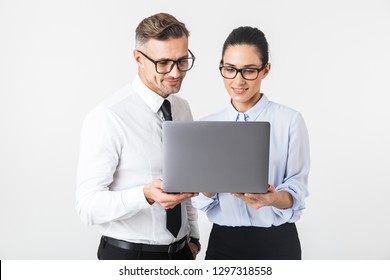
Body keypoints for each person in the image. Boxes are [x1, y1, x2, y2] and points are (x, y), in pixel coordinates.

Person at [76, 13, 201, 260]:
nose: (176, 73)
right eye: (164, 63)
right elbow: (87, 207)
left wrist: (193, 239)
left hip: (181, 253)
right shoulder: (107, 117)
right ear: (138, 58)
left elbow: (184, 181)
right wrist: (144, 195)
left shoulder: (182, 108)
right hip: (130, 257)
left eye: (182, 60)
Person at [192, 26, 310, 260]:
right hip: (223, 243)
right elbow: (199, 200)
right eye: (230, 69)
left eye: (249, 71)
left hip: (277, 243)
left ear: (265, 70)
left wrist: (272, 199)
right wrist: (209, 184)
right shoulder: (207, 125)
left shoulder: (289, 120)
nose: (238, 80)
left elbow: (297, 189)